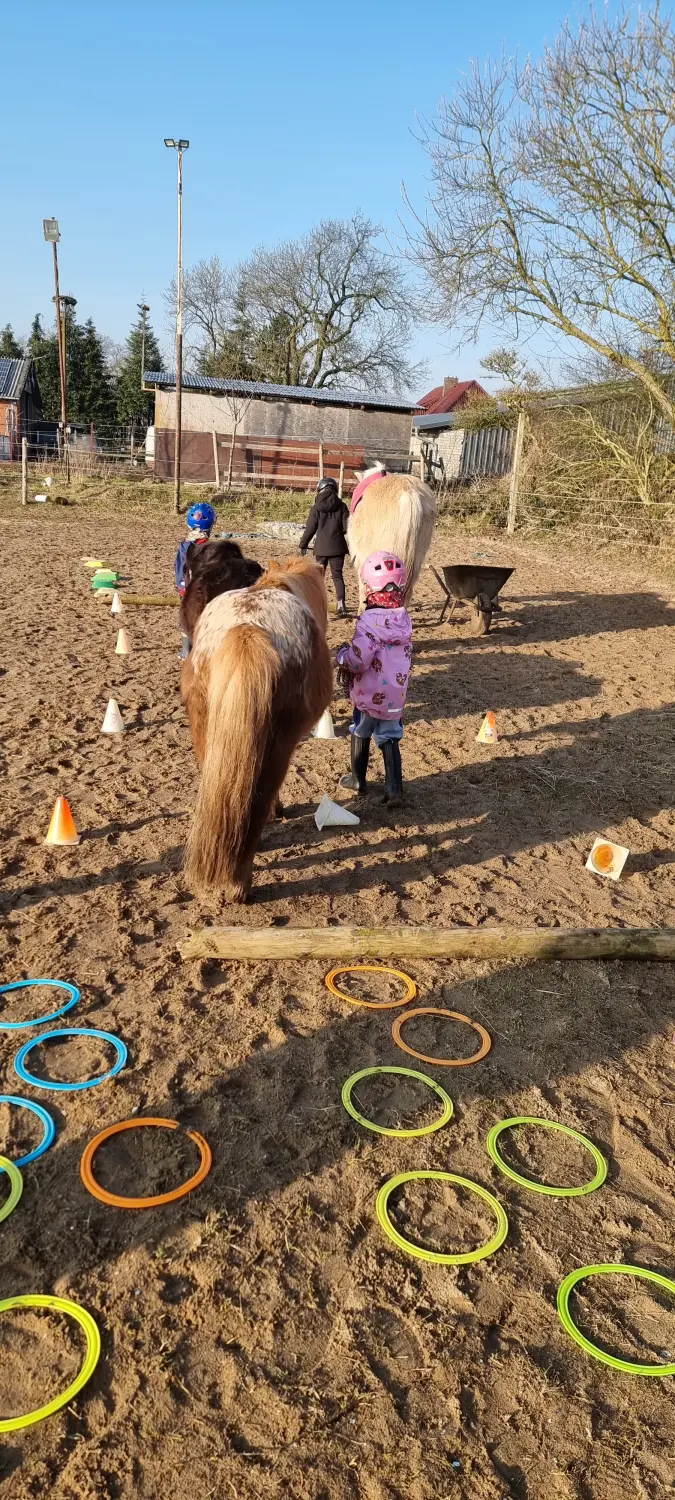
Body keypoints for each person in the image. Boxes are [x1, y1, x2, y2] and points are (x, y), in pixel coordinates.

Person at [335, 551, 412, 807]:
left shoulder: (368, 622)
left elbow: (359, 661)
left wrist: (342, 657)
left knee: (361, 729)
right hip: (395, 696)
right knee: (390, 736)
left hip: (369, 695)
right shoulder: (403, 620)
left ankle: (358, 779)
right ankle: (394, 789)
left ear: (370, 588)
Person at [299, 477, 349, 616]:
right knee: (337, 576)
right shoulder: (342, 506)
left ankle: (317, 605)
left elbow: (310, 528)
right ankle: (341, 605)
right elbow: (346, 528)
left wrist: (303, 544)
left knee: (318, 577)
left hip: (321, 548)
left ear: (320, 489)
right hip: (338, 547)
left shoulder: (316, 507)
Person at [174, 502, 217, 658]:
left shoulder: (184, 545)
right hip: (200, 589)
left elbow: (178, 567)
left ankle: (186, 650)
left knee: (186, 617)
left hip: (184, 588)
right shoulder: (207, 548)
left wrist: (181, 585)